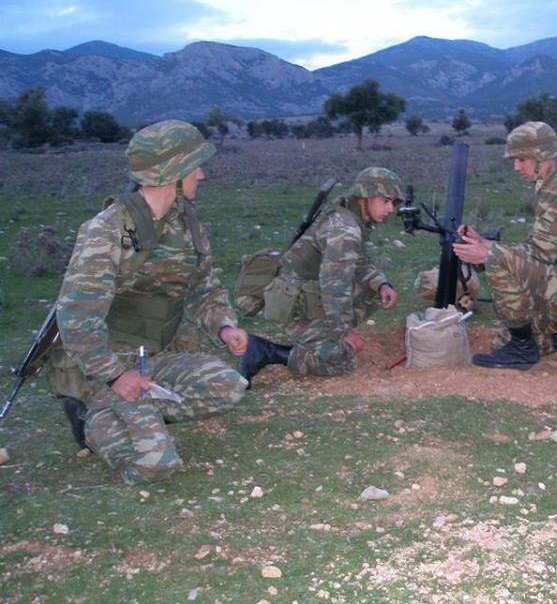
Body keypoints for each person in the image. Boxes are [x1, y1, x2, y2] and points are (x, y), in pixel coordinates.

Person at [52, 120, 249, 485]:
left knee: (230, 386)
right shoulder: (108, 230)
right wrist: (114, 375)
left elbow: (204, 288)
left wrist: (224, 326)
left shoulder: (186, 222)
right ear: (172, 173)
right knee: (156, 465)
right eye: (195, 167)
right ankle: (93, 415)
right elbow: (76, 318)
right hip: (108, 369)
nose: (201, 175)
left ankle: (130, 413)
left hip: (154, 358)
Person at [453, 121, 557, 370]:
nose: (516, 167)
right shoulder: (554, 184)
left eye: (522, 159)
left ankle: (523, 350)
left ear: (542, 155)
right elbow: (535, 248)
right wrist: (484, 243)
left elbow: (541, 254)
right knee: (500, 339)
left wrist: (489, 253)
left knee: (498, 261)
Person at [239, 167, 402, 383]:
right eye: (385, 200)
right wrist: (342, 333)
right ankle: (265, 352)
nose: (391, 208)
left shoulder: (351, 214)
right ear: (365, 196)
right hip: (292, 305)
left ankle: (324, 336)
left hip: (306, 292)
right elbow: (335, 286)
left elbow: (358, 261)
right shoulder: (345, 229)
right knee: (340, 361)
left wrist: (381, 284)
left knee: (373, 292)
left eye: (394, 202)